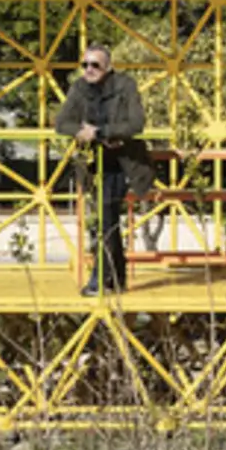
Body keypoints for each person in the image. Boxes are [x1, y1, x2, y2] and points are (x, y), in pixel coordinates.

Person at [54, 45, 149, 295]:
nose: (89, 70)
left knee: (106, 216)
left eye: (95, 65)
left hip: (123, 161)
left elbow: (136, 123)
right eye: (85, 65)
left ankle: (99, 279)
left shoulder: (125, 86)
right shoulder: (79, 89)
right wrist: (81, 132)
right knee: (107, 219)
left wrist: (102, 132)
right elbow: (61, 122)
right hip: (93, 161)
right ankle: (116, 277)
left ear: (107, 67)